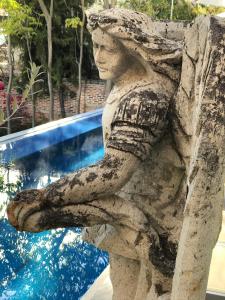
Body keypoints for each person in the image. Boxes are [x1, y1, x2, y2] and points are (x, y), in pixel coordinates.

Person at [7, 9, 185, 300]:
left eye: (107, 48)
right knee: (122, 287)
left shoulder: (145, 98)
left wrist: (46, 195)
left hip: (152, 224)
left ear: (132, 49)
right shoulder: (126, 89)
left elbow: (114, 172)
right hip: (127, 217)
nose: (98, 56)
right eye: (95, 45)